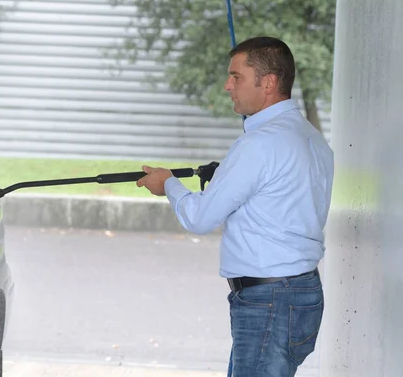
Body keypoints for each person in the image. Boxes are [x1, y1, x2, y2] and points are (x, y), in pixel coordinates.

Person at [136, 36, 334, 377]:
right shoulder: (312, 138)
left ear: (269, 82)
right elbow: (276, 201)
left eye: (236, 76)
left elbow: (199, 218)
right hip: (301, 294)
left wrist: (167, 184)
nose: (228, 85)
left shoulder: (259, 144)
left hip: (269, 302)